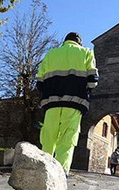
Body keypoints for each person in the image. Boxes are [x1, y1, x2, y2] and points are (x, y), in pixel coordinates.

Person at [36, 32, 99, 175]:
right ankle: (60, 172)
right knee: (67, 139)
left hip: (51, 103)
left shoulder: (51, 54)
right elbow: (93, 81)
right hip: (74, 102)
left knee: (48, 137)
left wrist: (49, 92)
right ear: (79, 42)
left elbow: (39, 82)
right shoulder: (86, 52)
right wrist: (84, 91)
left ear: (64, 41)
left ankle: (44, 170)